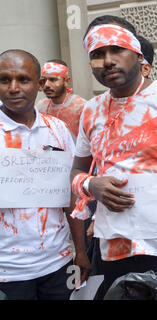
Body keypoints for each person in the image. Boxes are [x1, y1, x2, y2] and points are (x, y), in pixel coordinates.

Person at [69, 16, 157, 299]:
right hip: (111, 250)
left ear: (138, 53)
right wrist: (90, 185)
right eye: (97, 54)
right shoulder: (91, 110)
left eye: (116, 49)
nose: (107, 61)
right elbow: (76, 172)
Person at [0, 49, 90, 299]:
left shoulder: (58, 131)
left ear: (38, 84)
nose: (13, 88)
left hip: (56, 264)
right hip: (7, 272)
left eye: (23, 79)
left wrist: (80, 251)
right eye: (4, 80)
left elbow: (71, 195)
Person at [36, 59, 86, 139]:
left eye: (53, 80)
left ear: (66, 81)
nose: (46, 85)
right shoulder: (41, 106)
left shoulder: (81, 107)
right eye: (44, 80)